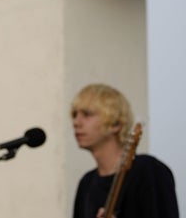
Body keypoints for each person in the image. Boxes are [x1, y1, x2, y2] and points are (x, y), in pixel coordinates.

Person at [70, 83, 179, 218]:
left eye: (87, 114)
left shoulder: (148, 170)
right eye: (74, 114)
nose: (76, 122)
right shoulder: (86, 184)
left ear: (116, 123)